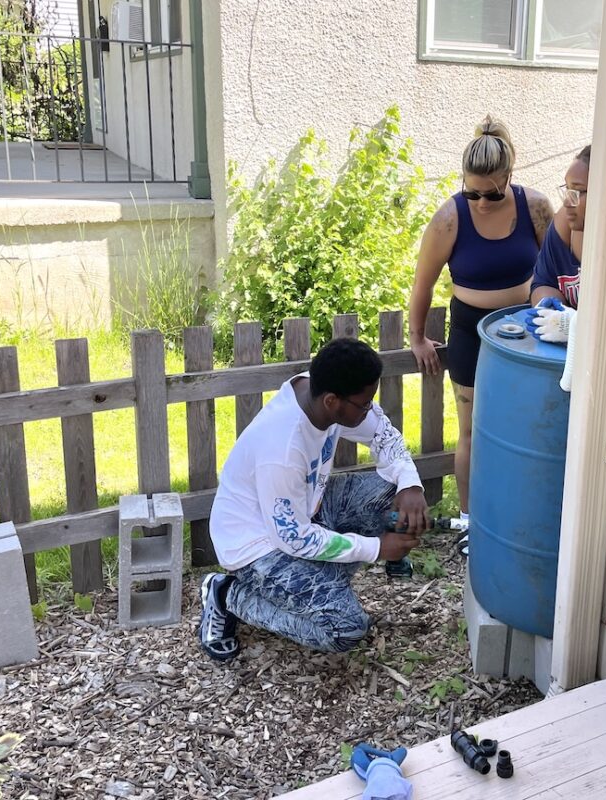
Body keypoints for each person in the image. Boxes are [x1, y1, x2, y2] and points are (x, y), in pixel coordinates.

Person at [199, 338, 430, 662]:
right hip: (257, 547)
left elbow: (382, 433)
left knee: (393, 494)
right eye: (364, 404)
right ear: (333, 402)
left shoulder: (319, 392)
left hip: (306, 508)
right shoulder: (281, 448)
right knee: (346, 628)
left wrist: (410, 485)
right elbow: (293, 538)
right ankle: (228, 595)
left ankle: (325, 580)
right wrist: (377, 547)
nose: (370, 409)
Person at [408, 116, 553, 553]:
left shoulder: (536, 208)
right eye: (473, 192)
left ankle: (519, 511)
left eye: (492, 193)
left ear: (509, 176)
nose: (483, 202)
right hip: (471, 330)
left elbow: (560, 263)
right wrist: (417, 337)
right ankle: (472, 520)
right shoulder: (450, 218)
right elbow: (423, 284)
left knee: (526, 426)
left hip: (526, 332)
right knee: (471, 430)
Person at [529, 145, 591, 318]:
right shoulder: (564, 223)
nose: (567, 202)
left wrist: (574, 324)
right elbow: (543, 283)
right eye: (567, 188)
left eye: (578, 191)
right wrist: (553, 312)